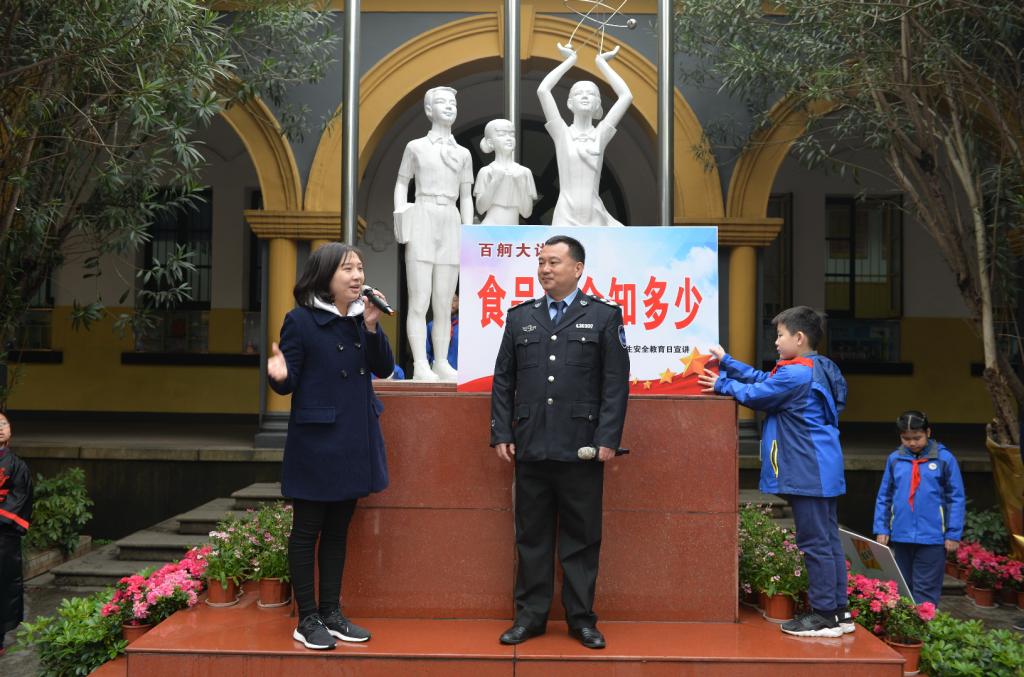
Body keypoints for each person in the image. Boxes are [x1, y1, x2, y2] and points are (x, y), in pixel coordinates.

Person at [490, 235, 630, 650]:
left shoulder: (603, 316)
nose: (545, 269)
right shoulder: (521, 317)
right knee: (531, 537)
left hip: (582, 448)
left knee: (581, 538)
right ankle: (529, 618)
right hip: (531, 444)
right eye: (541, 263)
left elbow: (615, 382)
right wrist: (502, 431)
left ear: (577, 269)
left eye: (554, 262)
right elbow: (503, 380)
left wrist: (608, 437)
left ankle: (581, 620)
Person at [267, 243, 394, 651]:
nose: (357, 276)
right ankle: (307, 618)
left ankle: (331, 613)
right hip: (317, 442)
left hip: (355, 438)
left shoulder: (360, 318)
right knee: (307, 530)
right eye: (347, 269)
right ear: (325, 277)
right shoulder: (300, 321)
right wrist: (278, 373)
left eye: (360, 268)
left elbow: (384, 367)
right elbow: (287, 381)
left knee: (338, 530)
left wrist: (372, 326)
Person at [698, 306, 850, 638]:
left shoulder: (796, 375)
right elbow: (766, 379)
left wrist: (722, 383)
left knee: (815, 543)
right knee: (827, 540)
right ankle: (839, 612)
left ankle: (824, 616)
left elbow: (757, 394)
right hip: (822, 467)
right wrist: (728, 362)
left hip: (809, 469)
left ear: (799, 337)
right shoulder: (816, 367)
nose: (776, 342)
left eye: (780, 335)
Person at [393, 86, 473, 382]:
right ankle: (420, 363)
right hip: (423, 214)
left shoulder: (463, 153)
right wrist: (400, 213)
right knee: (419, 299)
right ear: (429, 110)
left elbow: (466, 195)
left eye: (453, 102)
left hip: (450, 217)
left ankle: (441, 361)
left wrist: (468, 231)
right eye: (442, 102)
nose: (449, 106)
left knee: (443, 301)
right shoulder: (415, 147)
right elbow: (402, 183)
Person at [873, 411, 965, 607]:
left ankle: (925, 624)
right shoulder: (895, 459)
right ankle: (904, 626)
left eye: (917, 437)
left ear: (928, 433)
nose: (912, 443)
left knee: (926, 589)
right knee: (901, 588)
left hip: (933, 537)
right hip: (901, 534)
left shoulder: (944, 459)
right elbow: (885, 496)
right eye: (906, 438)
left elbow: (955, 498)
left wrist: (953, 533)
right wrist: (882, 528)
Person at [537, 43, 632, 227]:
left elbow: (626, 96)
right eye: (579, 93)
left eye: (591, 94)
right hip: (565, 214)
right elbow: (543, 90)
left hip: (594, 214)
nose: (585, 96)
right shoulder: (562, 133)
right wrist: (570, 61)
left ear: (598, 104)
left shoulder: (600, 134)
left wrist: (602, 63)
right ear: (570, 103)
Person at [0, 412, 32, 658]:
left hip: (2, 539)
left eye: (3, 424)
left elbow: (19, 497)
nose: (0, 428)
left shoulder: (17, 466)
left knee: (2, 586)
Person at [474, 119, 537, 224]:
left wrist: (521, 184)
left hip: (512, 229)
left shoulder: (524, 172)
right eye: (501, 134)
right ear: (490, 142)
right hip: (490, 227)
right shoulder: (486, 171)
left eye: (512, 134)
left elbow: (526, 213)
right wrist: (495, 181)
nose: (508, 138)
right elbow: (480, 209)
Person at [426, 292, 459, 370]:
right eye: (447, 300)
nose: (451, 303)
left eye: (454, 300)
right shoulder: (432, 326)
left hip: (459, 373)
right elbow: (426, 352)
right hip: (437, 373)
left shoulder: (464, 327)